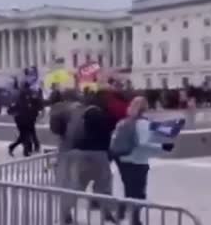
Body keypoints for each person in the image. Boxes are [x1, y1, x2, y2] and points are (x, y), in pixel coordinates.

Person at [114, 96, 176, 223]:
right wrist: (163, 147)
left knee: (129, 189)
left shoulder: (123, 122)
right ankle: (134, 219)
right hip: (138, 161)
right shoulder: (143, 123)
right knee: (139, 193)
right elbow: (143, 144)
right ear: (145, 108)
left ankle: (122, 210)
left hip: (123, 159)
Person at [60, 90, 117, 224]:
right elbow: (107, 130)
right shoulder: (97, 114)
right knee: (103, 186)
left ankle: (65, 214)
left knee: (77, 186)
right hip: (97, 153)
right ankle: (106, 213)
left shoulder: (80, 113)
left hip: (80, 152)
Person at [8, 82, 40, 157]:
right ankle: (27, 150)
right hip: (26, 120)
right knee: (26, 135)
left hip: (23, 120)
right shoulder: (29, 96)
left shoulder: (20, 96)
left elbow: (11, 109)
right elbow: (36, 105)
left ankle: (15, 147)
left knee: (24, 135)